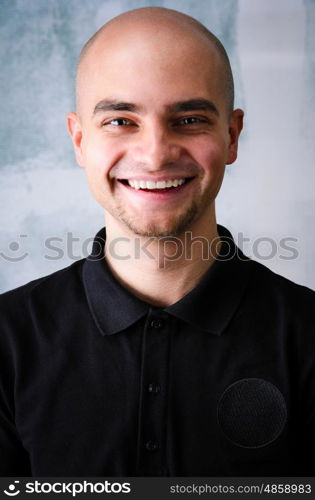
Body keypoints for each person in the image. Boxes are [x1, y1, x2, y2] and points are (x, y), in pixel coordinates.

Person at [0, 6, 314, 477]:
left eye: (188, 119)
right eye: (121, 120)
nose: (154, 154)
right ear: (79, 139)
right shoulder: (6, 341)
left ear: (232, 135)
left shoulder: (308, 337)